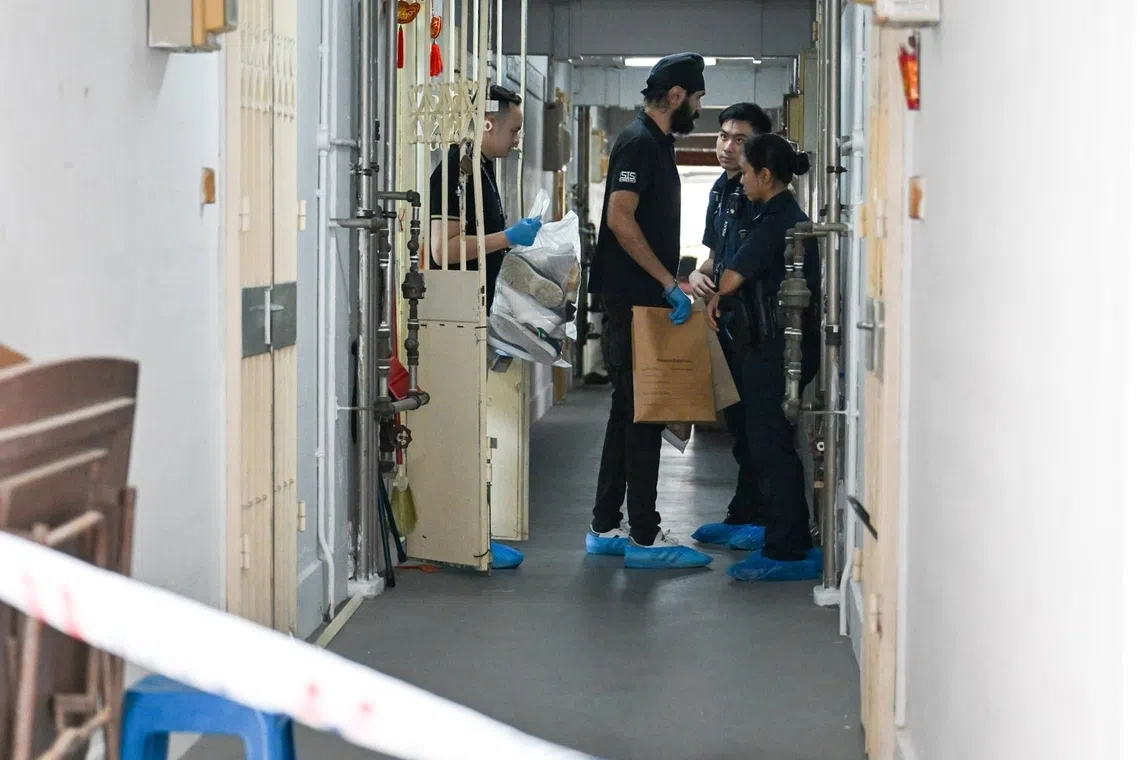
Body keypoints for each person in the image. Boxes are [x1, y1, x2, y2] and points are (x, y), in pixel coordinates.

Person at [584, 53, 714, 570]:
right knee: (643, 414)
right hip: (634, 298)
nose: (699, 110)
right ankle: (642, 536)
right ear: (678, 95)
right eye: (699, 98)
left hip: (638, 298)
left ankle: (604, 525)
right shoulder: (639, 141)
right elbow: (619, 217)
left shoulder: (656, 144)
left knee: (626, 413)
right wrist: (667, 283)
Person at [428, 84, 543, 571]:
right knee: (465, 430)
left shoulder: (484, 169)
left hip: (481, 312)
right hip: (454, 315)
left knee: (483, 429)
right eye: (514, 129)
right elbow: (442, 249)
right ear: (488, 124)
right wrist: (507, 236)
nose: (519, 138)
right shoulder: (453, 173)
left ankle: (477, 531)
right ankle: (462, 535)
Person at [706, 133, 823, 581]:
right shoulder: (771, 213)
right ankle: (785, 539)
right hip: (772, 343)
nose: (743, 180)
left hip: (779, 346)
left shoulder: (780, 219)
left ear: (766, 175)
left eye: (748, 172)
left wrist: (719, 293)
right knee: (767, 442)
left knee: (770, 444)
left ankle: (787, 548)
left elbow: (733, 275)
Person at [686, 102, 774, 552]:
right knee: (737, 424)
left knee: (759, 427)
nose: (727, 146)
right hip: (725, 322)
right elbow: (716, 255)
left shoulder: (760, 195)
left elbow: (746, 264)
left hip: (755, 325)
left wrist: (722, 281)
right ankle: (741, 511)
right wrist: (700, 275)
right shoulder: (720, 191)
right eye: (723, 135)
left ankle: (760, 518)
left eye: (739, 139)